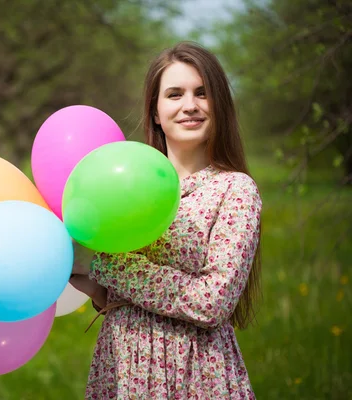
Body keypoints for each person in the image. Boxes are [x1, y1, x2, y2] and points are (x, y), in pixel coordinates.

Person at [69, 41, 263, 399]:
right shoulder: (125, 187)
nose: (190, 105)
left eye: (202, 93)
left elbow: (212, 302)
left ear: (219, 105)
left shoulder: (234, 190)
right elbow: (122, 293)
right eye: (175, 94)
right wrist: (92, 284)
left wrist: (102, 267)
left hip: (195, 372)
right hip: (123, 366)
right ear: (156, 112)